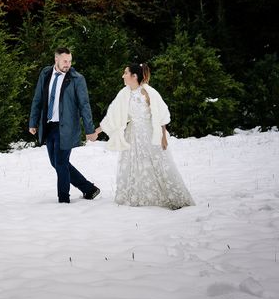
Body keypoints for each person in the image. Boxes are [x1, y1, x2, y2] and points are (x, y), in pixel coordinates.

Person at [94, 63, 194, 210]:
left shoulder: (149, 92)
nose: (123, 76)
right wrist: (97, 131)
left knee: (157, 163)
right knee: (134, 164)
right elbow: (113, 116)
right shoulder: (124, 94)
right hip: (133, 134)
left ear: (134, 76)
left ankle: (172, 197)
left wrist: (163, 137)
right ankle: (138, 195)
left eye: (125, 73)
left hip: (149, 133)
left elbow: (160, 115)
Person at [29, 47, 101, 203]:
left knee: (61, 162)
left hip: (66, 127)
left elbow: (84, 105)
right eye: (64, 61)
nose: (68, 64)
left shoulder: (77, 79)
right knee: (56, 163)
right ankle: (89, 189)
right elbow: (38, 99)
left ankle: (63, 199)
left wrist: (89, 129)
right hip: (49, 126)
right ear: (56, 59)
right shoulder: (46, 73)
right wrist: (33, 122)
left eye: (70, 61)